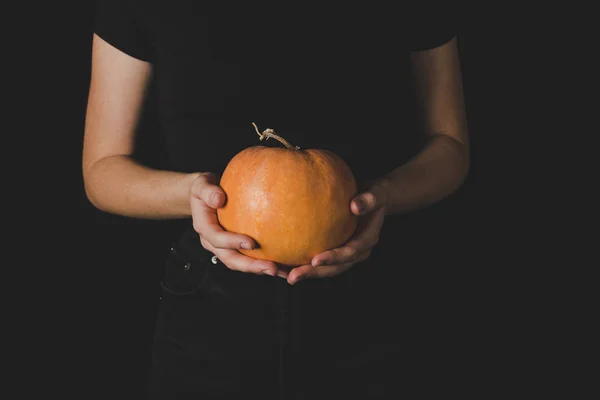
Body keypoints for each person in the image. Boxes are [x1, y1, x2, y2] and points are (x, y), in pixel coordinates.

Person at [83, 1, 470, 398]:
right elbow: (103, 169)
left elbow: (451, 145)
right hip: (210, 305)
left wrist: (385, 195)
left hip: (377, 296)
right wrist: (192, 194)